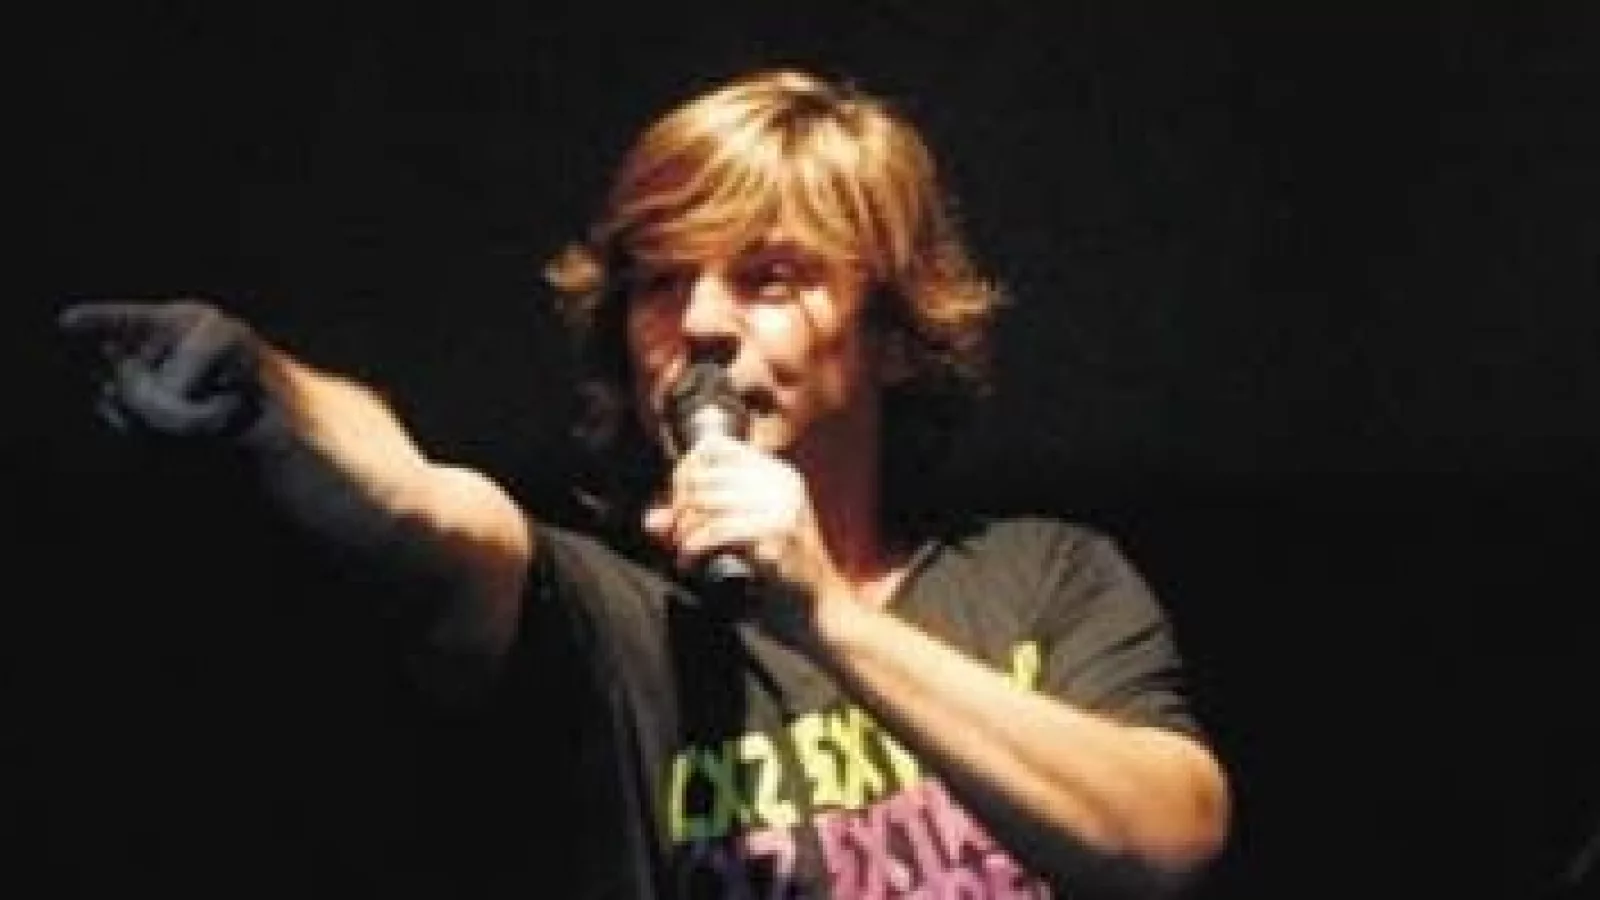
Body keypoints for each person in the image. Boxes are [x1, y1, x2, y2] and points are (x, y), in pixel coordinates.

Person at [56, 68, 1231, 898]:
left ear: (886, 335)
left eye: (768, 277)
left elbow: (1164, 843)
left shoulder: (1044, 579)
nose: (700, 321)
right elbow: (420, 500)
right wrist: (265, 393)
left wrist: (823, 617)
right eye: (661, 282)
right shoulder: (598, 619)